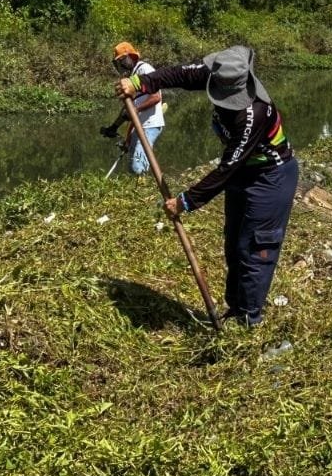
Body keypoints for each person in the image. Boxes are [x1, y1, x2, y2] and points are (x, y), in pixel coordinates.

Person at [116, 45, 297, 327]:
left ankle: (249, 319)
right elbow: (177, 74)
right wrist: (138, 82)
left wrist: (185, 201)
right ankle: (235, 308)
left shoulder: (253, 113)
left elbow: (227, 168)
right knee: (234, 242)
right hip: (242, 174)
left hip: (270, 178)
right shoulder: (216, 75)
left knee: (255, 246)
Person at [100, 42, 165, 176]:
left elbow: (155, 97)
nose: (121, 66)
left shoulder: (144, 69)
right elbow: (128, 110)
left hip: (150, 125)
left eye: (122, 61)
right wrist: (116, 129)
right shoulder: (131, 77)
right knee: (133, 167)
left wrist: (136, 110)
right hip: (139, 126)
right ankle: (141, 190)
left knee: (137, 167)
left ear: (131, 57)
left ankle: (146, 190)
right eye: (118, 63)